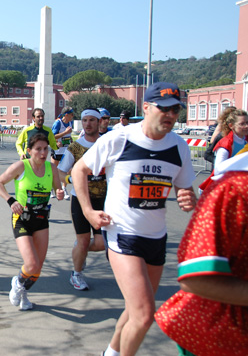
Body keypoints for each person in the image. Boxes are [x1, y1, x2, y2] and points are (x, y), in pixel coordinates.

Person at [71, 82, 197, 356]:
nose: (170, 115)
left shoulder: (180, 147)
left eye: (175, 110)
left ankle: (111, 353)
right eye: (164, 109)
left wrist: (188, 197)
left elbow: (185, 188)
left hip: (156, 237)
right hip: (121, 234)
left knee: (135, 309)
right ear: (147, 107)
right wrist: (89, 212)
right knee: (144, 314)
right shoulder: (119, 139)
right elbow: (78, 171)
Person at [155, 151, 248, 356]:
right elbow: (197, 278)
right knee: (141, 312)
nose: (169, 115)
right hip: (222, 337)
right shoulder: (235, 187)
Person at [0, 134, 64, 310]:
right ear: (29, 151)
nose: (43, 153)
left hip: (41, 220)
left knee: (37, 269)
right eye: (38, 149)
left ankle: (23, 292)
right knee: (31, 264)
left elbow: (57, 188)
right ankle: (17, 284)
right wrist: (11, 201)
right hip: (22, 219)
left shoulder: (51, 168)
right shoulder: (21, 166)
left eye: (45, 149)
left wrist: (60, 193)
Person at [57, 108, 106, 291]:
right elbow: (61, 172)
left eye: (92, 120)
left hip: (103, 198)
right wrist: (71, 180)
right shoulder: (75, 147)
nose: (88, 124)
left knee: (101, 243)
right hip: (81, 200)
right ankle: (76, 274)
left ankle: (80, 249)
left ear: (99, 123)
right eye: (85, 120)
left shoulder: (106, 144)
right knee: (85, 240)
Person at [199, 108, 248, 191]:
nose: (246, 126)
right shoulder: (225, 144)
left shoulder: (245, 141)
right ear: (231, 126)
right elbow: (219, 170)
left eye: (247, 123)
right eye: (242, 124)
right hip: (222, 189)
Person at [52, 106, 74, 199]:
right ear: (66, 115)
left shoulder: (70, 123)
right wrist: (64, 133)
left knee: (68, 170)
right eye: (71, 114)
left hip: (66, 150)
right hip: (57, 150)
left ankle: (64, 188)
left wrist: (71, 141)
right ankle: (52, 189)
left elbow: (69, 135)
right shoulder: (58, 123)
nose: (73, 116)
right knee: (54, 169)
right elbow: (52, 136)